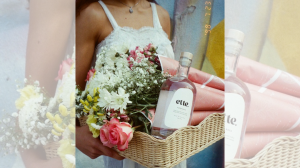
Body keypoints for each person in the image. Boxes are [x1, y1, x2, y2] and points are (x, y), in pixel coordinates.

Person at [76, 0, 178, 167]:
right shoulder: (93, 14)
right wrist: (75, 135)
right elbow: (73, 92)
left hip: (166, 145)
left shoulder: (161, 15)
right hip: (122, 148)